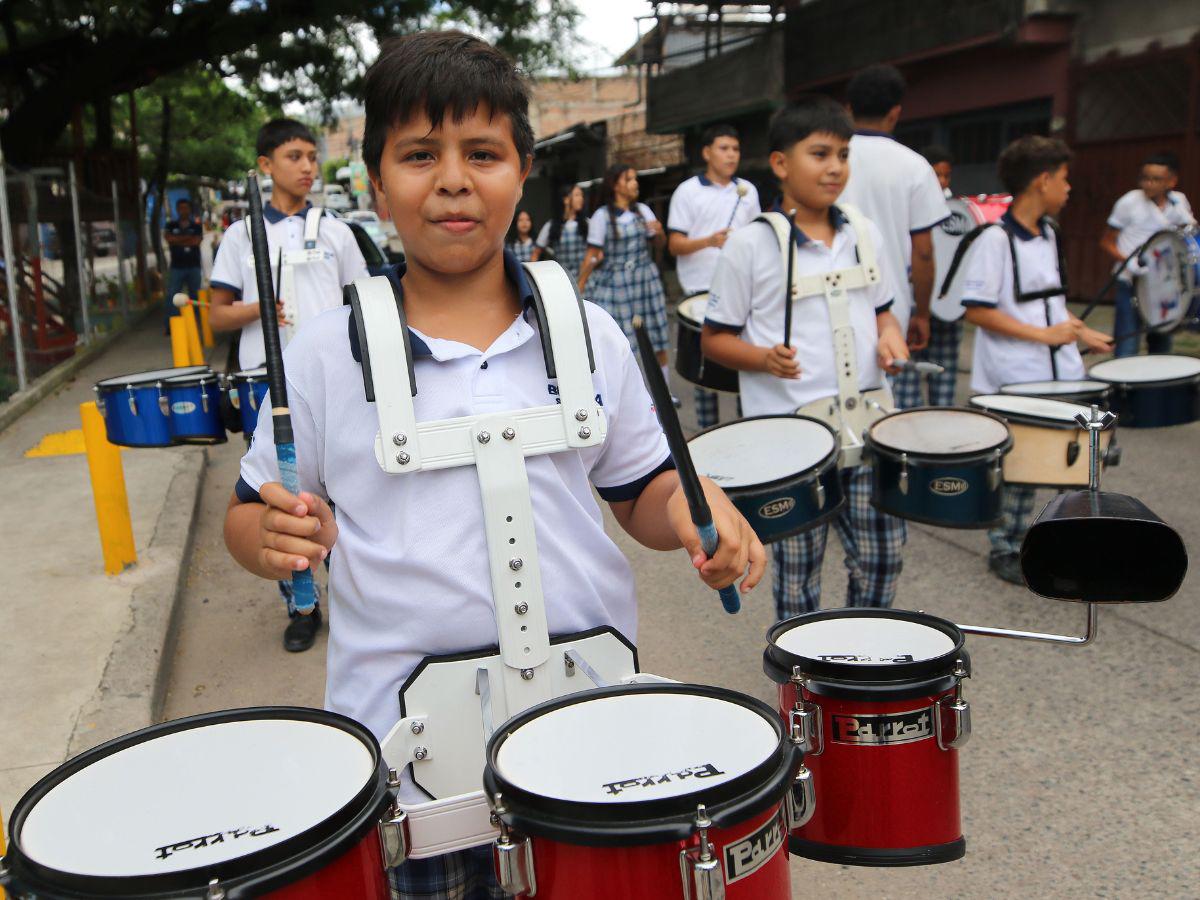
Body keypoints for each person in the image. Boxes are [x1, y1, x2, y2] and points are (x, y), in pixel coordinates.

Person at [223, 30, 764, 899]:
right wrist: (272, 538)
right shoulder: (327, 353)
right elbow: (248, 512)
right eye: (417, 155)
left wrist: (698, 512)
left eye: (482, 153)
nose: (451, 180)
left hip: (590, 741)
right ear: (375, 183)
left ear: (521, 172)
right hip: (404, 769)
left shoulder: (590, 332)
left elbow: (641, 489)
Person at [701, 95, 910, 618]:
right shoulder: (750, 246)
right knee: (798, 578)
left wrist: (890, 337)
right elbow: (714, 339)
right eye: (820, 154)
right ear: (780, 163)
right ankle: (804, 684)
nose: (835, 167)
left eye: (842, 154)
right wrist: (763, 358)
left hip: (867, 428)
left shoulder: (865, 233)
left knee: (882, 557)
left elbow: (883, 311)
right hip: (790, 450)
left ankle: (866, 656)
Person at [210, 117, 368, 653]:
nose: (306, 166)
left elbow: (365, 303)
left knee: (347, 493)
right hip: (266, 383)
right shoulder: (241, 234)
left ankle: (360, 595)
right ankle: (302, 602)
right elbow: (217, 316)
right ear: (265, 166)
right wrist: (262, 310)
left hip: (337, 382)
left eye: (310, 156)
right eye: (293, 156)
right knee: (283, 503)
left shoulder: (336, 230)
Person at [960, 136, 1113, 584]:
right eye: (1064, 179)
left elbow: (1048, 302)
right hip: (1015, 374)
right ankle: (1006, 547)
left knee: (1072, 460)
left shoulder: (1049, 234)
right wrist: (1044, 334)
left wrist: (1082, 331)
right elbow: (978, 309)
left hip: (1060, 370)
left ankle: (1058, 543)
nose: (1069, 189)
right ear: (1042, 180)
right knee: (1022, 466)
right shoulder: (994, 240)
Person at [840, 64, 950, 409]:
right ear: (896, 112)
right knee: (887, 408)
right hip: (892, 306)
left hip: (831, 298)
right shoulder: (915, 166)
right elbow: (924, 253)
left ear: (848, 109)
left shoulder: (828, 160)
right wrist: (922, 312)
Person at [667, 124, 762, 428]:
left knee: (741, 371)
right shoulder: (688, 191)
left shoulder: (748, 192)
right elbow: (675, 245)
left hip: (743, 292)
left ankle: (746, 432)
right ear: (707, 152)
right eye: (724, 148)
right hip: (700, 292)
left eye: (735, 149)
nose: (731, 155)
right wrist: (709, 241)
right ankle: (709, 436)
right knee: (704, 373)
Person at [578, 163, 673, 395]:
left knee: (656, 338)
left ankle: (664, 394)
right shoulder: (602, 216)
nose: (635, 183)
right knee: (620, 343)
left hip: (644, 280)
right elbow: (592, 254)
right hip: (616, 283)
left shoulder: (643, 211)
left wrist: (659, 232)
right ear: (616, 184)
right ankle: (626, 397)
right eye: (629, 179)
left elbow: (660, 245)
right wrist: (578, 287)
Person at [1100, 151, 1196, 357]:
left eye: (1156, 179)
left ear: (1171, 181)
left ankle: (1154, 387)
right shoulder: (1129, 202)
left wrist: (1187, 221)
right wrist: (1128, 261)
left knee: (1161, 342)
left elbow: (1187, 238)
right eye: (1145, 178)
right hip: (1131, 280)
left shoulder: (1179, 202)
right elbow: (1106, 242)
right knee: (1127, 341)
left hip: (1163, 284)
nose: (1149, 184)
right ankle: (1124, 384)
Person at [163, 198, 204, 333]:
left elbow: (196, 241)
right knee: (172, 296)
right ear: (177, 209)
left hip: (193, 266)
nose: (183, 211)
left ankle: (196, 326)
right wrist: (187, 238)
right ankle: (171, 326)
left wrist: (178, 240)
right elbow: (169, 238)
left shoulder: (196, 225)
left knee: (195, 297)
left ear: (189, 209)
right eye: (180, 208)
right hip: (177, 266)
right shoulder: (171, 225)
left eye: (186, 208)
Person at [532, 184, 588, 281]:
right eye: (577, 195)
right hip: (561, 280)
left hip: (584, 280)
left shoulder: (587, 224)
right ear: (566, 199)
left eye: (582, 195)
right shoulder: (551, 225)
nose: (581, 199)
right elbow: (536, 253)